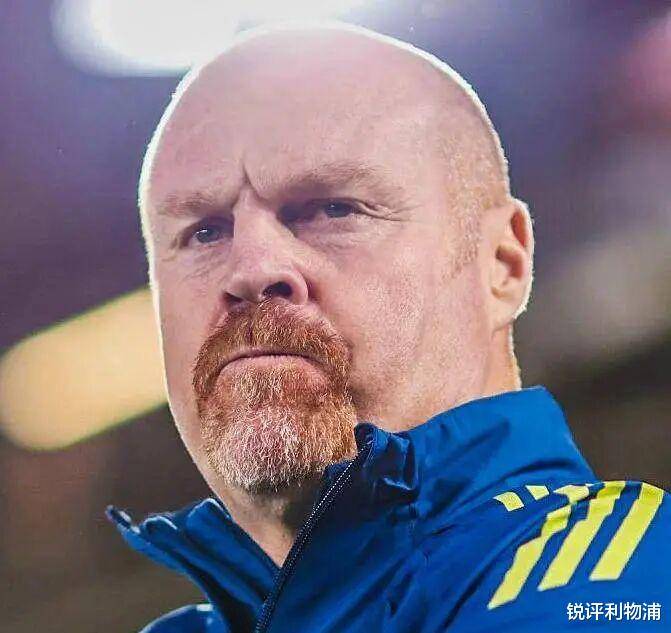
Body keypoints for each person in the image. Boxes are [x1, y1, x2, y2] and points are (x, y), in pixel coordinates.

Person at [106, 22, 671, 632]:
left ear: (501, 265)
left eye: (332, 209)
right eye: (204, 233)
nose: (250, 269)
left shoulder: (622, 584)